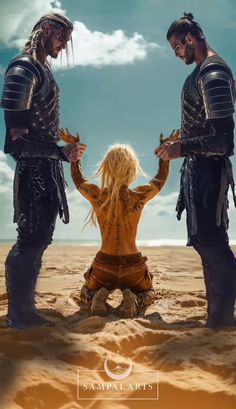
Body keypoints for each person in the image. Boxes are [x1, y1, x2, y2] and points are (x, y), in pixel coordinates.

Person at [0, 13, 86, 329]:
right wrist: (59, 152)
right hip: (34, 169)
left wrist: (61, 153)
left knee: (40, 239)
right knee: (30, 240)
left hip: (47, 169)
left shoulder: (41, 69)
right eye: (61, 38)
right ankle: (19, 314)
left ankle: (25, 311)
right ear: (47, 30)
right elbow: (17, 143)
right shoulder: (23, 69)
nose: (63, 47)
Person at [157, 12, 236, 328]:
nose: (177, 54)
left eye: (176, 47)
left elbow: (223, 140)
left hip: (209, 171)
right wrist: (181, 145)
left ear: (190, 39)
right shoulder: (205, 71)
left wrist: (181, 148)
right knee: (206, 243)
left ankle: (219, 321)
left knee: (212, 243)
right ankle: (217, 318)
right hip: (198, 171)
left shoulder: (213, 72)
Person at [60, 129, 174, 318]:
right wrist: (165, 155)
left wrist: (74, 152)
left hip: (104, 265)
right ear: (132, 168)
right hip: (133, 266)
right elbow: (160, 179)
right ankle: (134, 299)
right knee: (149, 292)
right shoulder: (139, 195)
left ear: (106, 168)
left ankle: (96, 297)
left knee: (85, 291)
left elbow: (78, 179)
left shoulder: (97, 194)